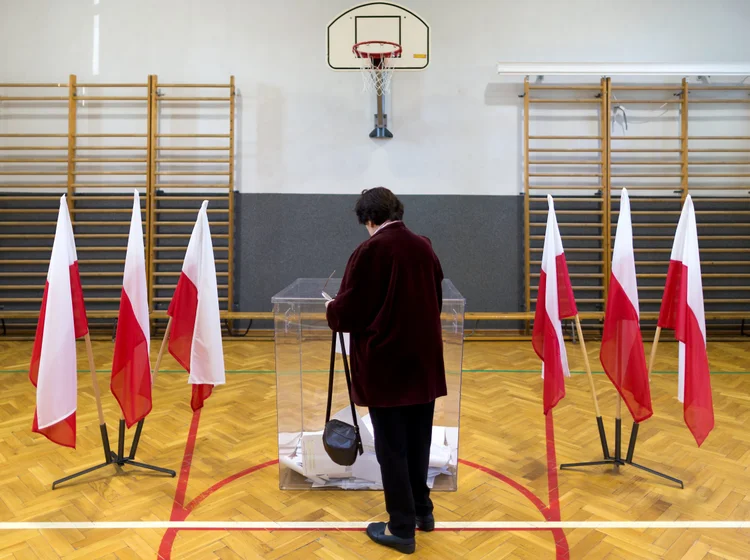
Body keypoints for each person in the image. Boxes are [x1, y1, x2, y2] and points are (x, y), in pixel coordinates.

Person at [325, 187, 446, 555]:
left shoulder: (370, 250)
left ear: (368, 219)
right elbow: (436, 300)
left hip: (387, 368)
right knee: (418, 443)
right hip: (423, 364)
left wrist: (332, 308)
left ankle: (401, 527)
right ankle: (423, 512)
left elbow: (349, 314)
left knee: (392, 449)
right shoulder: (423, 245)